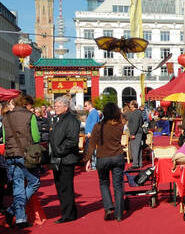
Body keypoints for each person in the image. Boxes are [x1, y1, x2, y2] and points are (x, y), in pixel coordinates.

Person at [0, 94, 42, 229]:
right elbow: (36, 138)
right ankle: (12, 210)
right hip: (25, 154)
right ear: (26, 104)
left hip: (10, 154)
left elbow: (5, 138)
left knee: (18, 185)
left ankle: (20, 218)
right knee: (34, 182)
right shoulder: (30, 116)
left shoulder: (6, 117)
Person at [82, 101, 128, 221]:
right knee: (118, 185)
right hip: (117, 156)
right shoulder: (120, 126)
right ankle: (119, 213)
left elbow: (92, 145)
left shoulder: (98, 126)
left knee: (104, 183)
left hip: (103, 157)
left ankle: (108, 207)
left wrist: (87, 160)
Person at [48, 95, 81, 223]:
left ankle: (68, 214)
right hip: (57, 158)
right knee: (60, 186)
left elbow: (73, 140)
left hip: (66, 158)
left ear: (65, 107)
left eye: (58, 106)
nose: (55, 108)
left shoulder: (71, 120)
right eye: (55, 105)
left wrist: (60, 150)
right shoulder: (57, 119)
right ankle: (68, 212)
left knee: (65, 187)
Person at [125, 101, 148, 183]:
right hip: (138, 132)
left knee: (135, 148)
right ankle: (139, 163)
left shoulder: (136, 113)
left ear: (133, 105)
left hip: (136, 132)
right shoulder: (137, 112)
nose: (129, 106)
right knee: (137, 148)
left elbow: (135, 124)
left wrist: (133, 133)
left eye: (130, 104)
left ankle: (135, 164)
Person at [83, 102, 102, 171]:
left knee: (93, 150)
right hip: (89, 134)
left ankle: (95, 165)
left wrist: (90, 132)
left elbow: (94, 123)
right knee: (92, 150)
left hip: (91, 134)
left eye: (86, 105)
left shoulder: (94, 112)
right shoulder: (91, 112)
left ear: (90, 105)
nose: (85, 107)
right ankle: (94, 165)